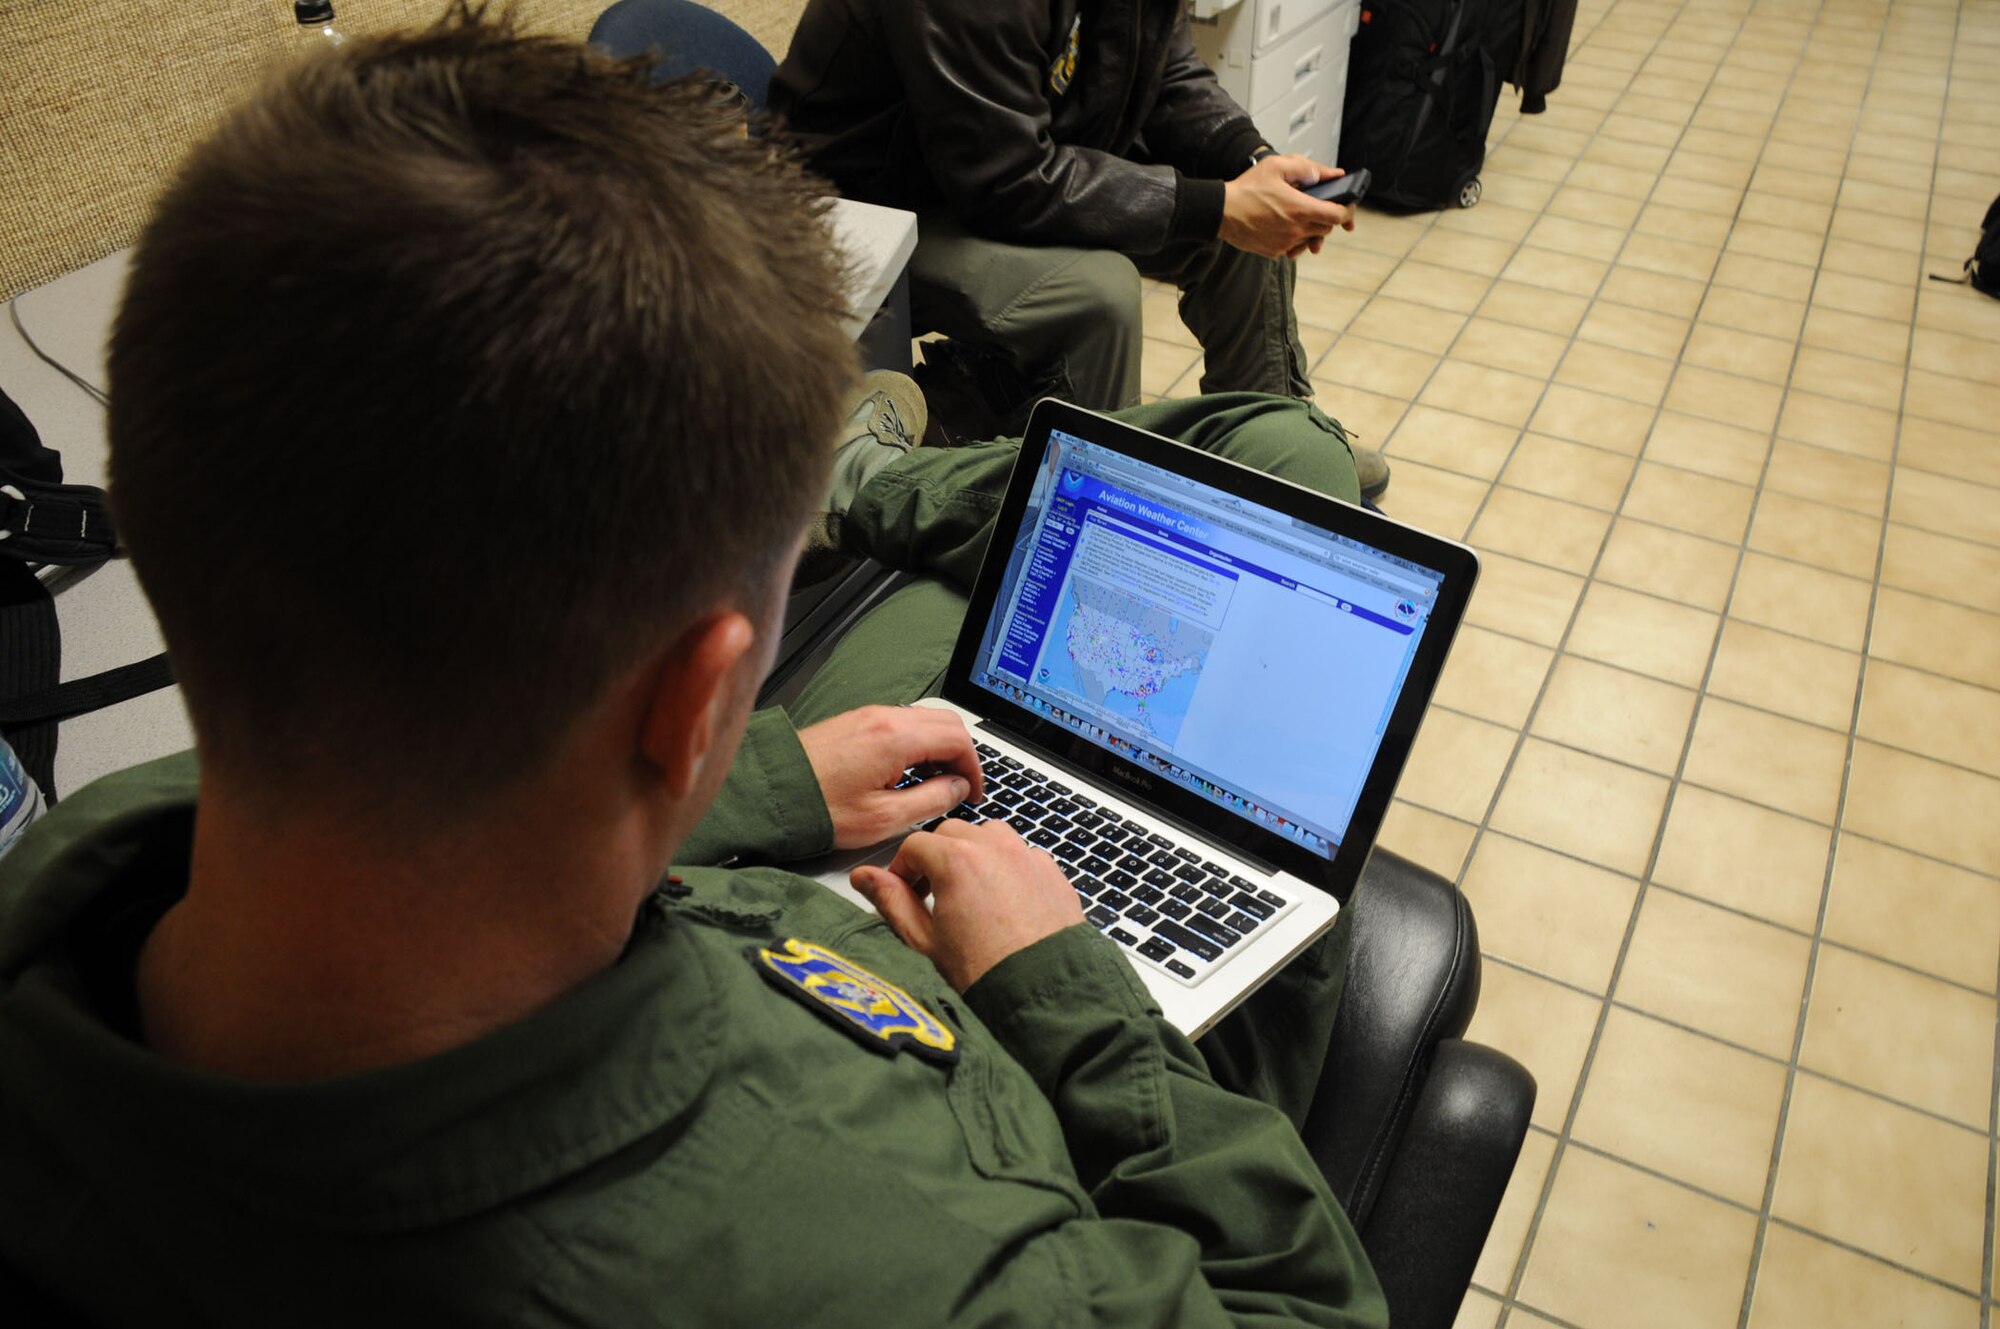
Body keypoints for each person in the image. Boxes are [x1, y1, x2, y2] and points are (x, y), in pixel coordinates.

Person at [0, 11, 1386, 1325]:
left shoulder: (81, 867)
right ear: (694, 695)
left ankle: (868, 482)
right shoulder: (914, 1255)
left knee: (1276, 467)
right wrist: (1064, 988)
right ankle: (873, 482)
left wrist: (768, 779)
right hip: (1032, 1040)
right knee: (1294, 490)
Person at [768, 0, 1392, 498]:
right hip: (863, 210)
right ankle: (1083, 515)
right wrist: (1219, 206)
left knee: (1244, 232)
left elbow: (1169, 75)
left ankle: (1278, 454)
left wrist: (1250, 161)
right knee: (1101, 291)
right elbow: (1004, 181)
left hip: (991, 164)